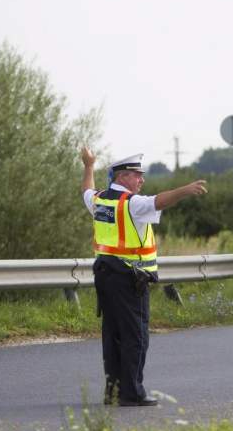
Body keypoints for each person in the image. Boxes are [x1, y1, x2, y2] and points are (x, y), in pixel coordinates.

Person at [80, 146, 207, 407]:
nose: (142, 180)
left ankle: (113, 392)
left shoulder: (100, 200)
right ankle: (132, 393)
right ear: (122, 176)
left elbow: (85, 190)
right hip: (129, 278)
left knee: (113, 336)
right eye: (137, 175)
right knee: (135, 336)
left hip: (104, 274)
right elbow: (159, 201)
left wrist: (89, 165)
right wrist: (185, 190)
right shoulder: (132, 204)